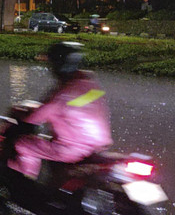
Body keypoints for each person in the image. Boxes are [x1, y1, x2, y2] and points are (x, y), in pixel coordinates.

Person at [7, 41, 113, 179]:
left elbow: (34, 118)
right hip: (99, 145)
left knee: (23, 144)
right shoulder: (91, 84)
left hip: (72, 149)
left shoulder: (62, 95)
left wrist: (23, 116)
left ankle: (26, 180)